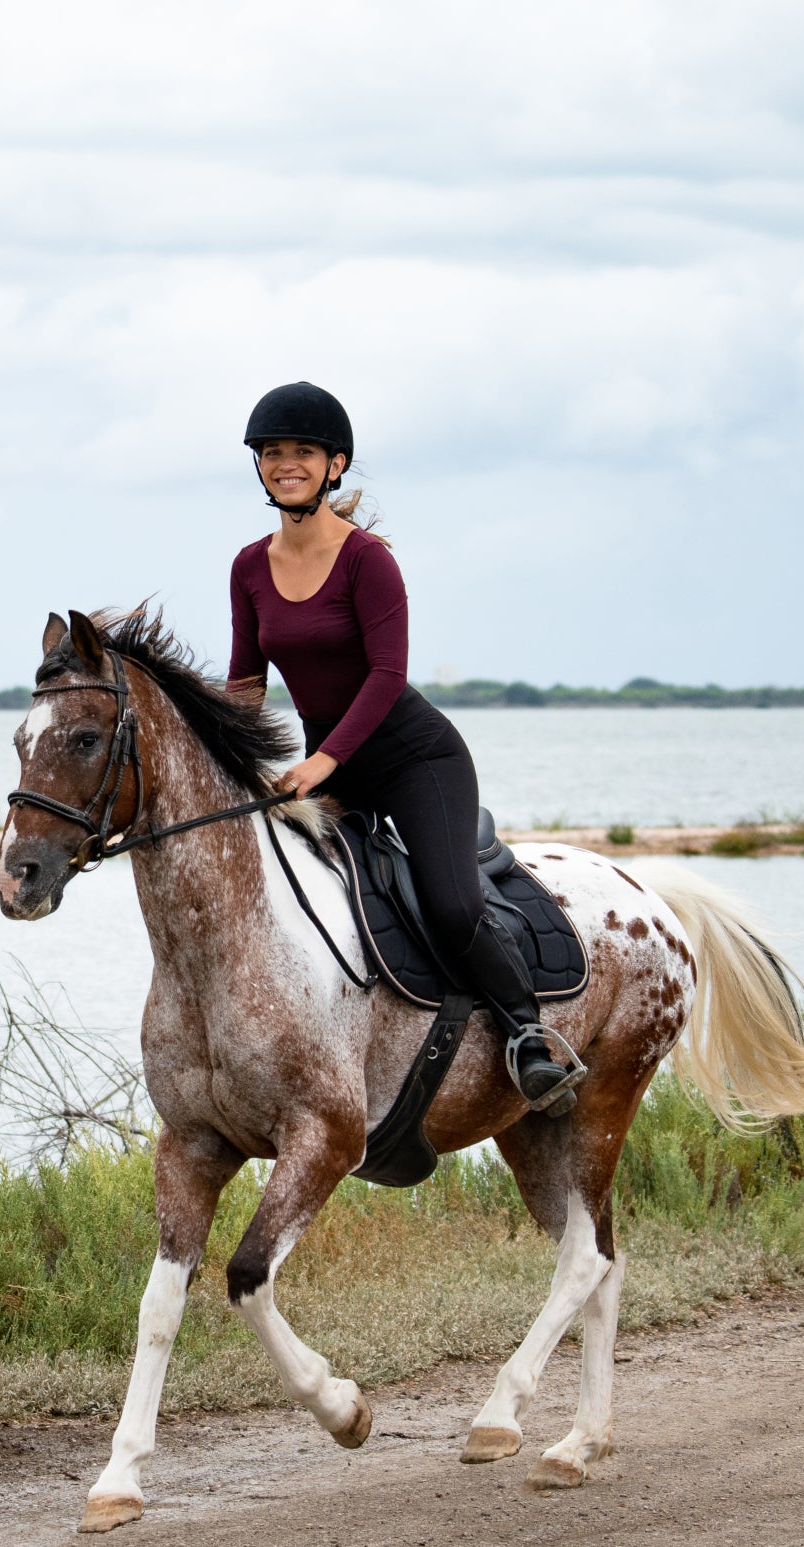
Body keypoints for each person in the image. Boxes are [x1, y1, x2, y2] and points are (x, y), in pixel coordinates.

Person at [224, 382, 582, 1117]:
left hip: (416, 758)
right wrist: (229, 764)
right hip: (328, 760)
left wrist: (324, 763)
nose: (285, 464)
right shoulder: (248, 568)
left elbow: (389, 676)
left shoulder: (367, 562)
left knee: (451, 907)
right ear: (259, 467)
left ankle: (528, 1037)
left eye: (302, 452)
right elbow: (245, 681)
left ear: (335, 465)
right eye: (272, 453)